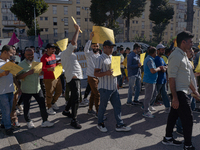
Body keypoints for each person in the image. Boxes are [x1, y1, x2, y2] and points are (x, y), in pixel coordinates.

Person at [162, 31, 198, 150]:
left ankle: (168, 138)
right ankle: (188, 145)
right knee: (188, 118)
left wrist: (195, 91)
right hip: (178, 92)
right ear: (183, 42)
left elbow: (187, 78)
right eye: (190, 41)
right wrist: (175, 98)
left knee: (173, 116)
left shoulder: (183, 55)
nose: (192, 44)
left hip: (183, 91)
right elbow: (171, 78)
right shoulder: (175, 56)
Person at [94, 40, 131, 132]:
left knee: (117, 106)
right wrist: (106, 73)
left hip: (113, 87)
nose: (111, 49)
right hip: (105, 88)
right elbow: (95, 73)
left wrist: (117, 83)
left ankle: (119, 124)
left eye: (112, 47)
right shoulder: (100, 58)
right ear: (104, 48)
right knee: (103, 107)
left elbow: (115, 72)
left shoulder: (112, 57)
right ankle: (100, 123)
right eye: (109, 47)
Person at [17, 48, 54, 128]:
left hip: (37, 88)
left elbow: (39, 74)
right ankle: (28, 121)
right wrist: (27, 73)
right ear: (25, 55)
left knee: (42, 104)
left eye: (32, 54)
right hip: (26, 89)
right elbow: (17, 77)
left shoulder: (36, 63)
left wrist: (41, 72)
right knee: (27, 106)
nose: (30, 56)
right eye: (28, 55)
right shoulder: (21, 65)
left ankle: (45, 121)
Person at [61, 23, 83, 129]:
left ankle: (66, 110)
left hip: (74, 77)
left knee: (74, 96)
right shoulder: (66, 53)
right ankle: (74, 120)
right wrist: (77, 30)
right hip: (74, 78)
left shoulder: (70, 54)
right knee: (76, 99)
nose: (76, 45)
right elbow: (73, 42)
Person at [41, 43, 62, 115]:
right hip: (48, 78)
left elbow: (54, 64)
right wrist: (49, 69)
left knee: (59, 91)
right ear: (48, 49)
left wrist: (58, 64)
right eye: (52, 48)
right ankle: (49, 107)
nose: (54, 50)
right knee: (49, 93)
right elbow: (42, 68)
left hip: (56, 76)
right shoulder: (43, 58)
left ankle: (53, 103)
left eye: (54, 48)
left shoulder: (53, 55)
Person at [142, 47, 163, 118]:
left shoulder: (150, 59)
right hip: (149, 81)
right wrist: (159, 68)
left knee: (154, 94)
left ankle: (149, 106)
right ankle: (146, 111)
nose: (156, 54)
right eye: (156, 52)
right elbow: (153, 71)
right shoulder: (149, 60)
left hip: (151, 80)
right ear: (154, 53)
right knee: (148, 96)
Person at [84, 32, 101, 117]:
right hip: (91, 76)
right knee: (97, 94)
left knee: (93, 94)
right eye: (94, 46)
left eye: (97, 46)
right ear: (91, 47)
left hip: (98, 77)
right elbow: (85, 49)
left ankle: (90, 109)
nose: (95, 47)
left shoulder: (99, 55)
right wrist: (90, 38)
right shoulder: (88, 54)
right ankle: (98, 112)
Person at [0, 45, 15, 135]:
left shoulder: (9, 62)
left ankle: (3, 124)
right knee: (6, 110)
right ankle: (8, 128)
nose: (12, 54)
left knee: (8, 109)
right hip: (2, 91)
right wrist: (2, 74)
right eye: (10, 53)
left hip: (10, 89)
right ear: (4, 52)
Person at [154, 44, 170, 113]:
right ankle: (147, 106)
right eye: (162, 50)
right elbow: (163, 69)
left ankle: (167, 107)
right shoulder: (157, 58)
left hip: (163, 79)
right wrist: (165, 68)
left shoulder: (162, 58)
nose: (163, 51)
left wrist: (165, 67)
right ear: (158, 50)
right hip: (159, 80)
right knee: (154, 94)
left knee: (164, 94)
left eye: (164, 49)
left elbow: (166, 67)